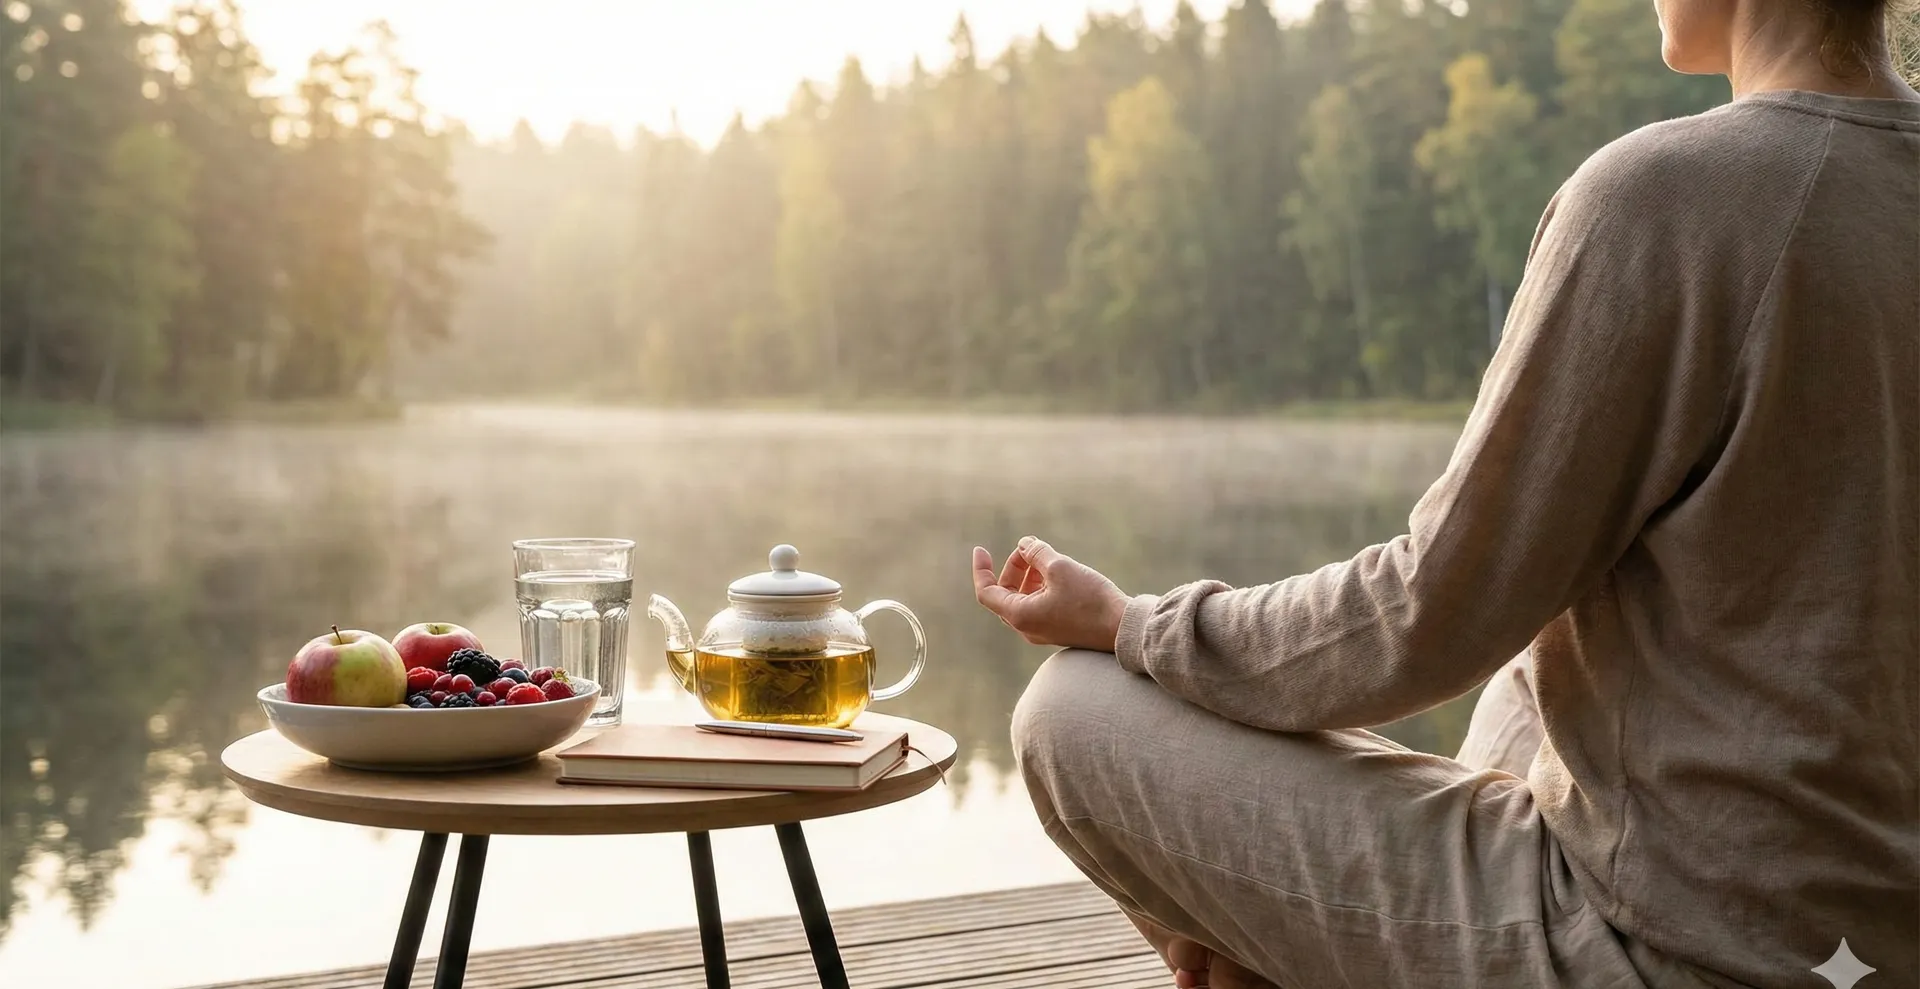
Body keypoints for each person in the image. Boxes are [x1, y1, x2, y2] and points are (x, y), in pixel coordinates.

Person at [970, 0, 1919, 984]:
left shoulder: (1669, 198)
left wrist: (1136, 625)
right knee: (1538, 671)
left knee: (1071, 711)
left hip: (1678, 948)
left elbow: (1427, 613)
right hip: (1876, 942)